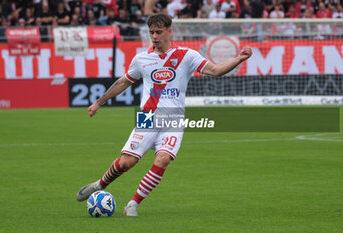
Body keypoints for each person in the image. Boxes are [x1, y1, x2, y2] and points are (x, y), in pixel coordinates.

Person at [76, 13, 252, 216]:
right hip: (148, 118)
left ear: (170, 31)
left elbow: (216, 70)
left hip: (174, 120)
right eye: (151, 32)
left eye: (159, 32)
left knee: (163, 160)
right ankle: (100, 184)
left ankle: (133, 204)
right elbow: (124, 82)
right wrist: (99, 102)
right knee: (127, 162)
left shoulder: (187, 55)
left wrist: (238, 58)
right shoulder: (142, 59)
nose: (155, 36)